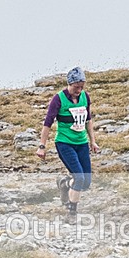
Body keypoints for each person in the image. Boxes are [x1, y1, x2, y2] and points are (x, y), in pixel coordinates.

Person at [36, 66, 100, 224]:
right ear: (69, 84)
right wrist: (42, 146)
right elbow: (48, 123)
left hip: (82, 143)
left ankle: (64, 184)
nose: (79, 90)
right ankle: (72, 213)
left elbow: (88, 120)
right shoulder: (58, 99)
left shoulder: (85, 97)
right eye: (76, 87)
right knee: (79, 178)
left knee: (86, 182)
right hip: (64, 143)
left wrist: (92, 141)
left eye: (81, 87)